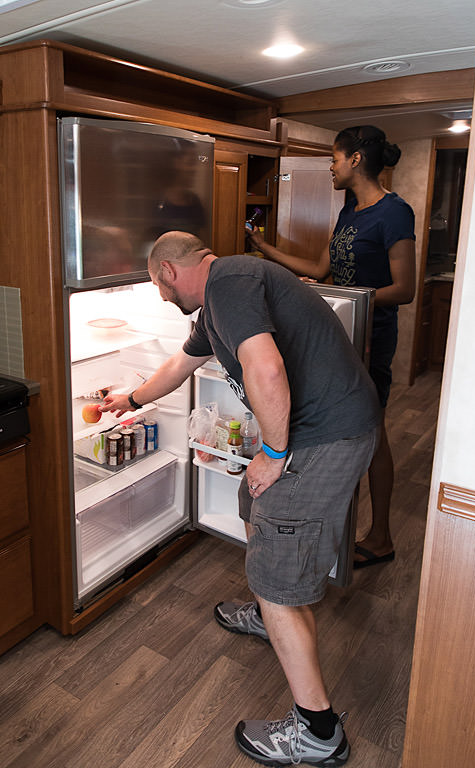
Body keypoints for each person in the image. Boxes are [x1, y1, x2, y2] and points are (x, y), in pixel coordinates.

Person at [99, 231, 381, 766]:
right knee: (254, 507)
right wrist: (130, 398)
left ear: (167, 270)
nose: (160, 298)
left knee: (280, 572)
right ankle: (265, 612)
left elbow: (267, 368)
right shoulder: (220, 301)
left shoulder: (229, 282)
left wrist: (273, 452)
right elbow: (180, 367)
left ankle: (318, 733)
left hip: (326, 437)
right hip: (328, 426)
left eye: (156, 286)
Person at [247, 125, 415, 570]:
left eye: (335, 159)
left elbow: (406, 288)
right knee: (336, 427)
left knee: (372, 434)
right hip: (340, 333)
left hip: (372, 338)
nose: (331, 166)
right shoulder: (349, 211)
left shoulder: (394, 213)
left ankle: (380, 536)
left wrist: (353, 296)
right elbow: (322, 269)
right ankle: (325, 530)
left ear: (356, 159)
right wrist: (266, 250)